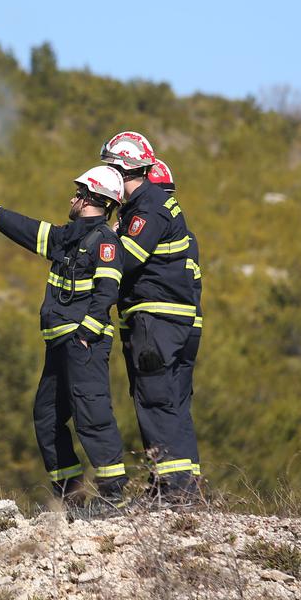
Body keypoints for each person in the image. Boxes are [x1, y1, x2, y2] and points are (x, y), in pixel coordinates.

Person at [0, 166, 129, 506]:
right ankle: (73, 501)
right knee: (46, 419)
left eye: (79, 192)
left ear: (93, 199)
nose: (72, 198)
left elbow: (108, 292)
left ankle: (114, 501)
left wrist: (86, 334)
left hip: (82, 344)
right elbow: (28, 230)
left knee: (92, 417)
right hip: (60, 344)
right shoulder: (69, 237)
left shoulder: (105, 242)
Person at [99, 132, 200, 500]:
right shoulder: (148, 205)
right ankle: (181, 487)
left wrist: (100, 242)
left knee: (154, 399)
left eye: (109, 167)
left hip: (154, 317)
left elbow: (126, 259)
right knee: (169, 402)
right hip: (162, 316)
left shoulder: (147, 207)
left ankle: (174, 491)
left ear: (122, 168)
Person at [147, 158, 202, 483]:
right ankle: (189, 484)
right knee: (179, 408)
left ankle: (169, 488)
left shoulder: (153, 227)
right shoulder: (187, 236)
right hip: (190, 326)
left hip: (164, 328)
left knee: (160, 403)